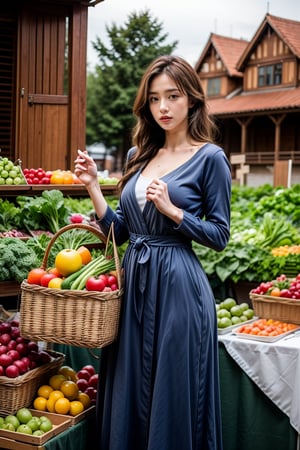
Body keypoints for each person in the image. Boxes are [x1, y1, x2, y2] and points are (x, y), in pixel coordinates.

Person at [74, 54, 231, 450]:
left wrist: (175, 213)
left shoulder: (210, 158)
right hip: (134, 288)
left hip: (180, 289)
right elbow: (122, 231)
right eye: (155, 98)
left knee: (173, 391)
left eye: (173, 96)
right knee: (131, 385)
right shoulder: (136, 156)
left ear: (192, 100)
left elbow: (219, 234)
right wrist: (94, 186)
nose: (163, 107)